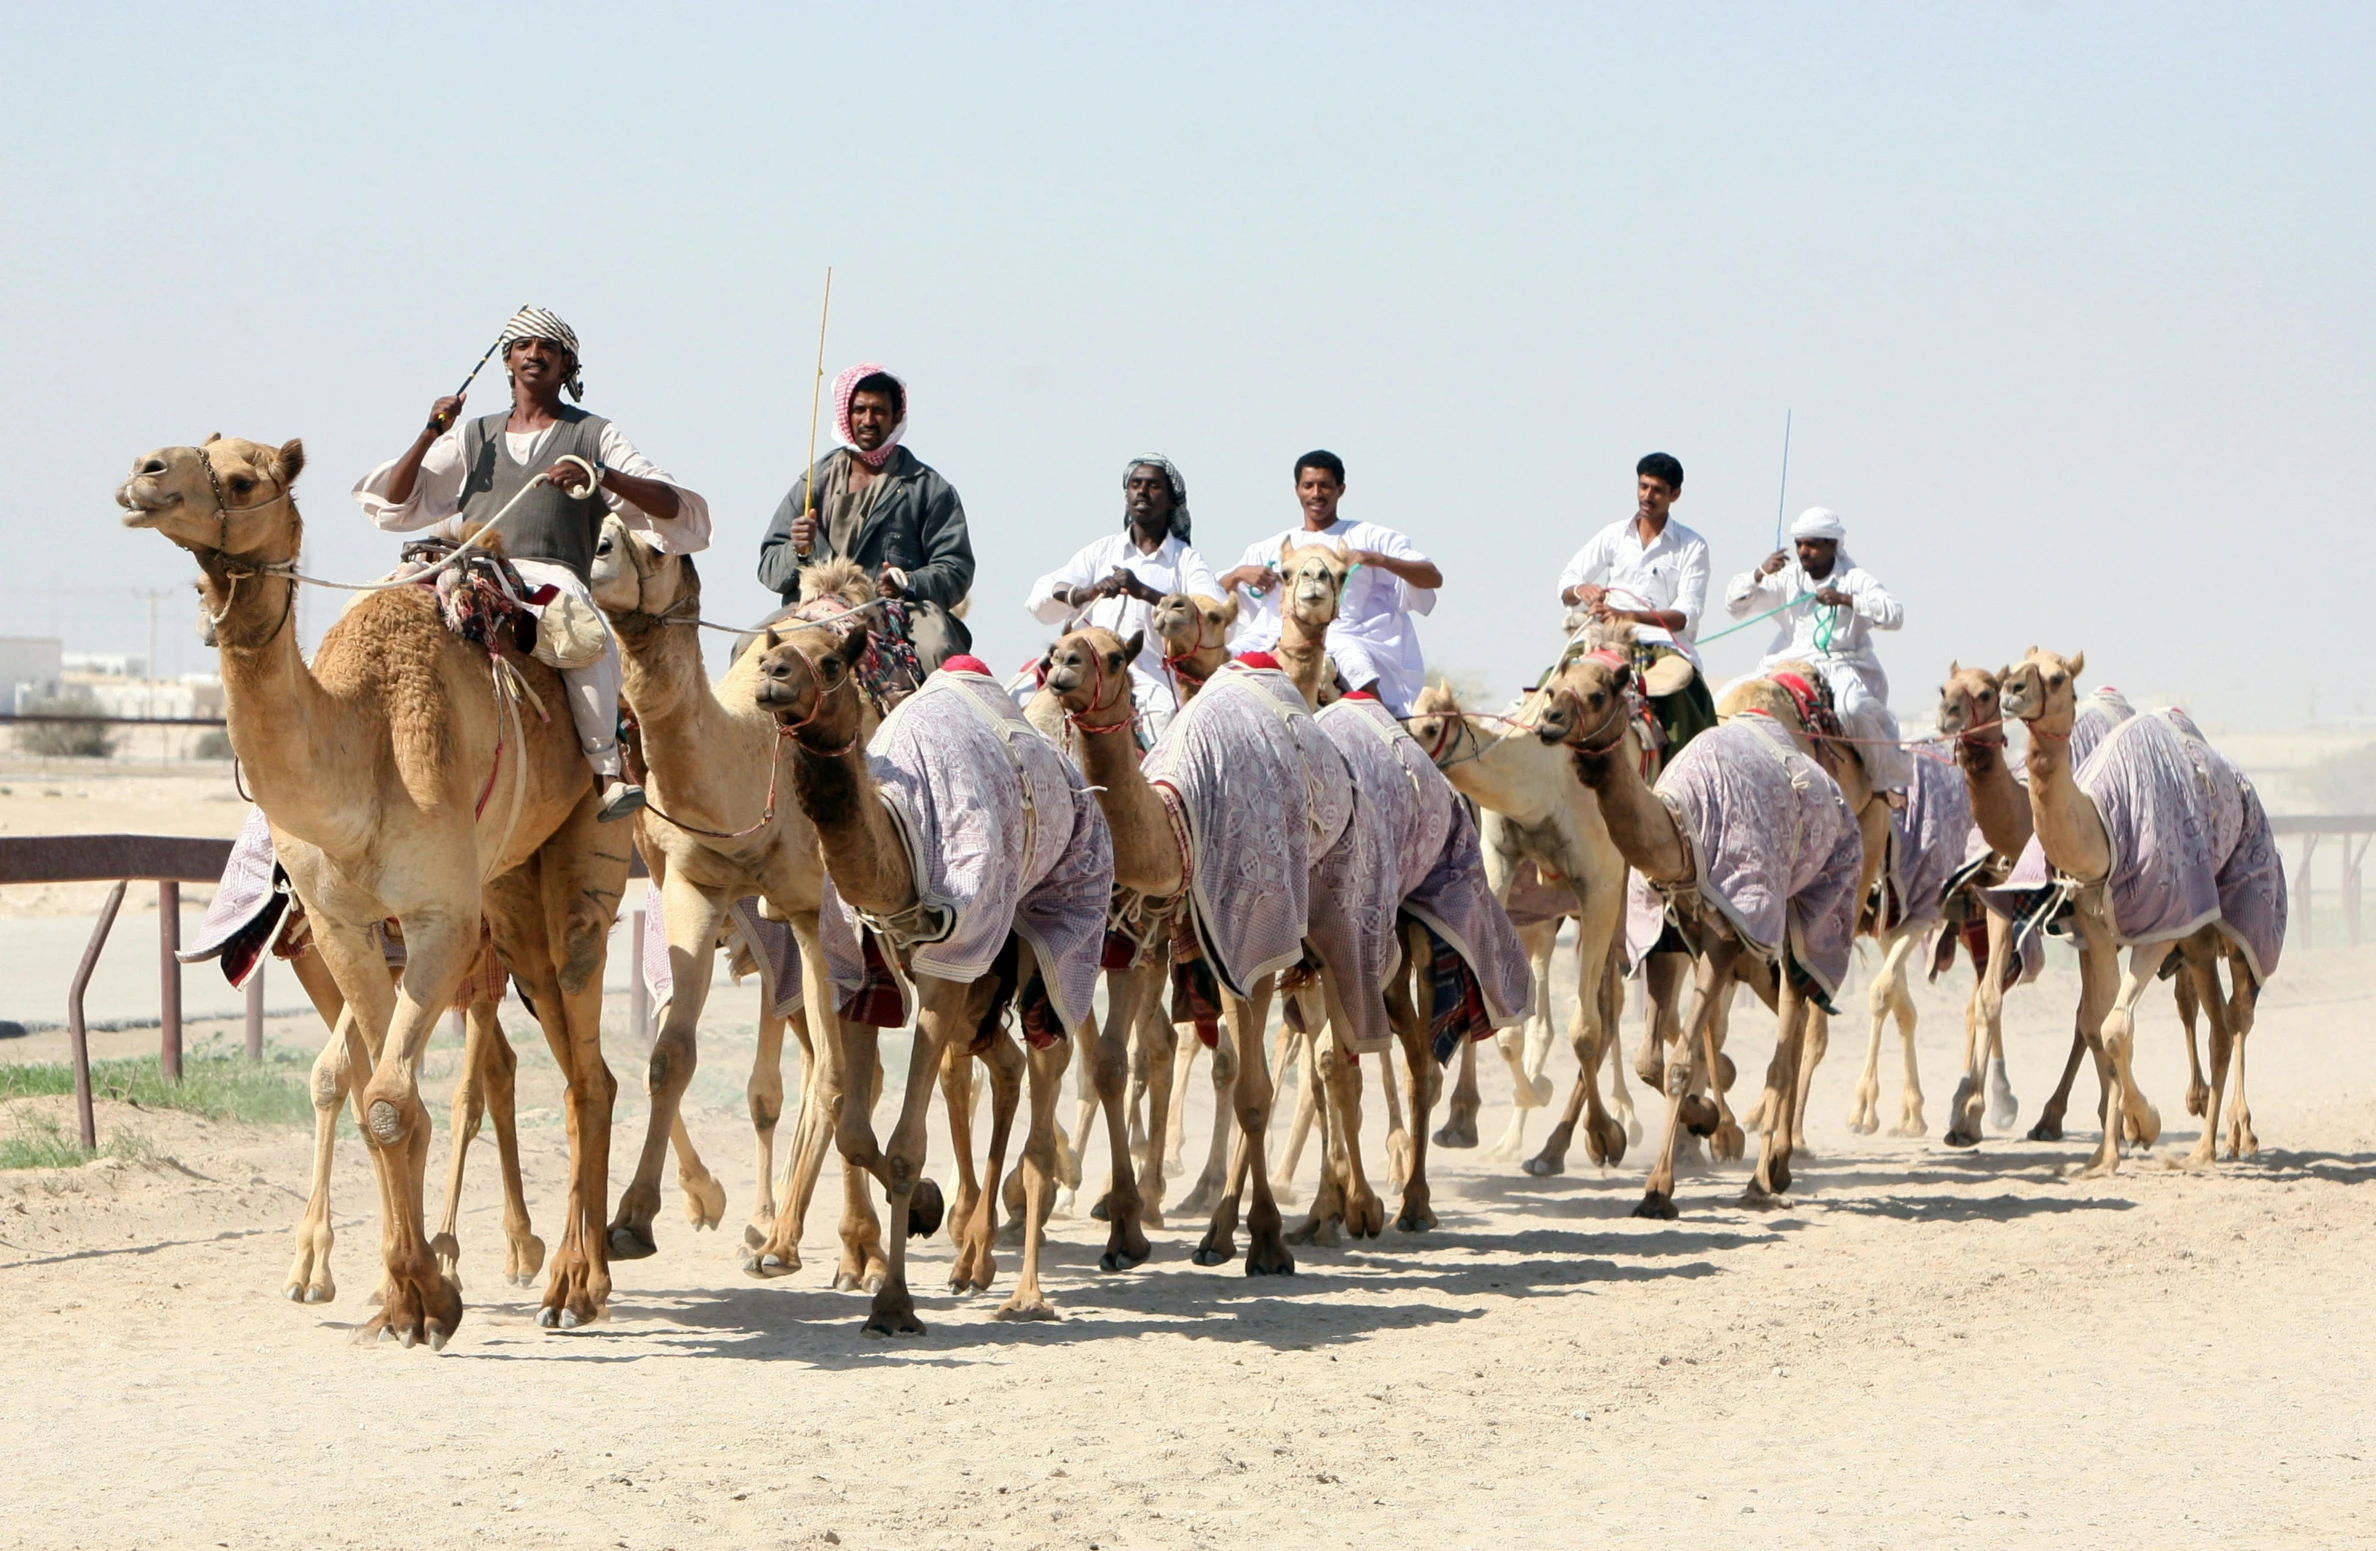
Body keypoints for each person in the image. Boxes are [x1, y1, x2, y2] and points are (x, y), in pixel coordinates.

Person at [355, 306, 710, 822]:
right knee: (377, 608)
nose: (535, 354)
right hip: (464, 562)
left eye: (548, 347)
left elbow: (671, 505)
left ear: (567, 365)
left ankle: (607, 773)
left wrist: (599, 472)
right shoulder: (473, 435)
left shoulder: (594, 435)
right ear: (507, 360)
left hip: (549, 578)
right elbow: (396, 497)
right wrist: (431, 432)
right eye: (523, 345)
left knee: (585, 644)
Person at [756, 362, 975, 667]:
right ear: (847, 414)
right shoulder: (814, 482)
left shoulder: (929, 488)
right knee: (748, 648)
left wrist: (907, 582)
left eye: (878, 411)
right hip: (815, 610)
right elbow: (768, 568)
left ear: (896, 416)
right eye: (859, 410)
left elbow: (957, 568)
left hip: (899, 612)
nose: (868, 420)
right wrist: (798, 550)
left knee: (938, 652)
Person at [1216, 450, 1443, 715]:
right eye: (1308, 485)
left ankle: (1385, 732)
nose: (1316, 493)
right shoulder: (1268, 548)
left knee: (1356, 665)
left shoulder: (1368, 536)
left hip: (1343, 635)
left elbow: (1432, 577)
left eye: (1325, 485)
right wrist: (1239, 575)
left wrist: (1380, 560)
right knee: (1218, 664)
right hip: (1272, 637)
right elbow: (1212, 599)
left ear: (1340, 490)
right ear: (1297, 490)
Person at [1723, 506, 1912, 797]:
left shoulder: (1855, 578)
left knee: (1853, 710)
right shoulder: (1786, 578)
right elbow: (1734, 605)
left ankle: (1884, 783)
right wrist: (1759, 573)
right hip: (1787, 664)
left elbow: (1894, 615)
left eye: (1811, 544)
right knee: (1725, 698)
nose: (1803, 551)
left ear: (1832, 545)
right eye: (1799, 544)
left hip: (1839, 664)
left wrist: (1847, 599)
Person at [1024, 456, 1218, 738]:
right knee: (1029, 722)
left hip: (1152, 684)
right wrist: (1086, 593)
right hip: (1088, 674)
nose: (1141, 491)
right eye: (1135, 484)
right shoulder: (1101, 552)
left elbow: (1212, 616)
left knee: (1164, 721)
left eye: (1153, 486)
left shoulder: (1186, 561)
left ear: (1172, 500)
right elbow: (1040, 598)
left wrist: (1145, 592)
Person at [1556, 451, 1717, 753]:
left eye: (1657, 489)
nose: (1647, 495)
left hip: (1662, 646)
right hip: (1604, 641)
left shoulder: (1692, 545)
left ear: (1675, 494)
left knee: (1685, 706)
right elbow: (1567, 582)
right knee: (1552, 686)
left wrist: (1628, 614)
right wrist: (1582, 591)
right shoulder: (1613, 535)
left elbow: (1686, 614)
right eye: (1643, 486)